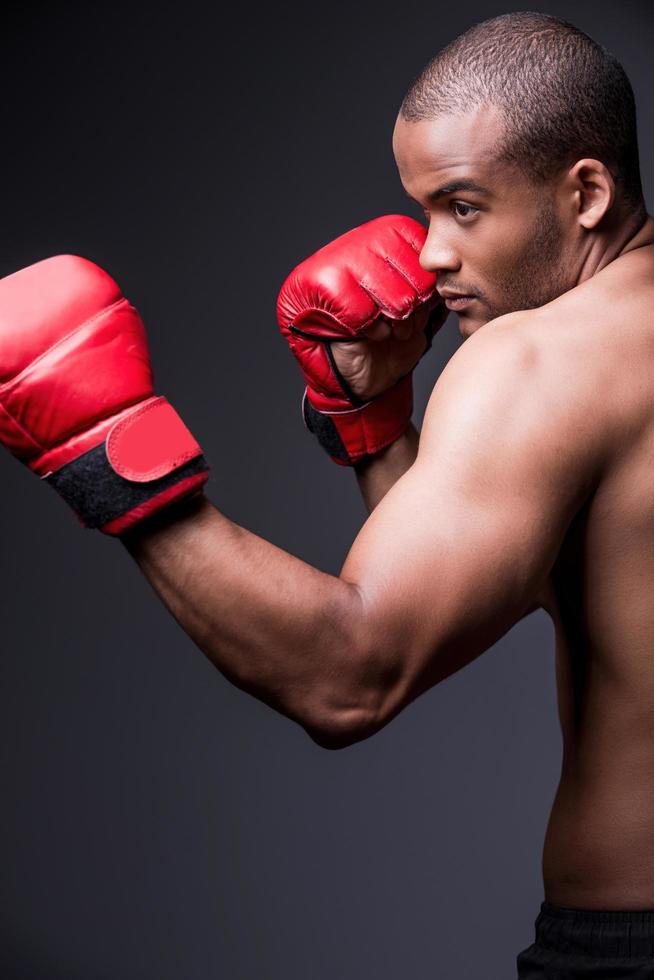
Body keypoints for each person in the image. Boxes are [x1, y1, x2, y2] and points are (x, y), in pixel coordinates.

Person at [1, 9, 653, 978]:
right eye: (422, 208)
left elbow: (351, 676)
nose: (430, 253)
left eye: (464, 207)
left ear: (587, 191)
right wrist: (378, 419)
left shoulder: (536, 364)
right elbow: (546, 582)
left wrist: (104, 449)